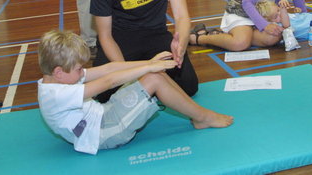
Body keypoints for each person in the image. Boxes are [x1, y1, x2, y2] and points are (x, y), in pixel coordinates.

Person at [37, 30, 233, 155]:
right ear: (59, 72)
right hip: (104, 134)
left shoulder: (57, 78)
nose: (82, 72)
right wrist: (150, 68)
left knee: (157, 75)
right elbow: (109, 81)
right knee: (154, 77)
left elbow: (109, 69)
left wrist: (150, 63)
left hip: (103, 114)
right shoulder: (56, 95)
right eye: (79, 69)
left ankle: (199, 116)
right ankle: (204, 117)